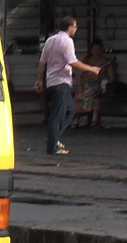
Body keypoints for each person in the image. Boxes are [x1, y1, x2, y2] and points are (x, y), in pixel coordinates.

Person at [34, 16, 101, 155]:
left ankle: (54, 136)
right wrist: (91, 69)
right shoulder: (67, 41)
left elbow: (42, 63)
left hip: (51, 81)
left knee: (71, 110)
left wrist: (39, 80)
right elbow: (73, 62)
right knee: (57, 114)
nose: (76, 29)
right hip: (61, 82)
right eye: (75, 27)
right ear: (70, 28)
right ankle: (53, 146)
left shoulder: (50, 40)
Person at [74, 38, 115, 128]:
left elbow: (111, 78)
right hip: (86, 85)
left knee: (92, 93)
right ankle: (79, 117)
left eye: (99, 50)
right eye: (95, 50)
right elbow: (80, 75)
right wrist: (80, 87)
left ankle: (93, 117)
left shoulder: (106, 62)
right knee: (79, 95)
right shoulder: (86, 60)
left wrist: (103, 82)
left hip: (99, 85)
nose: (97, 52)